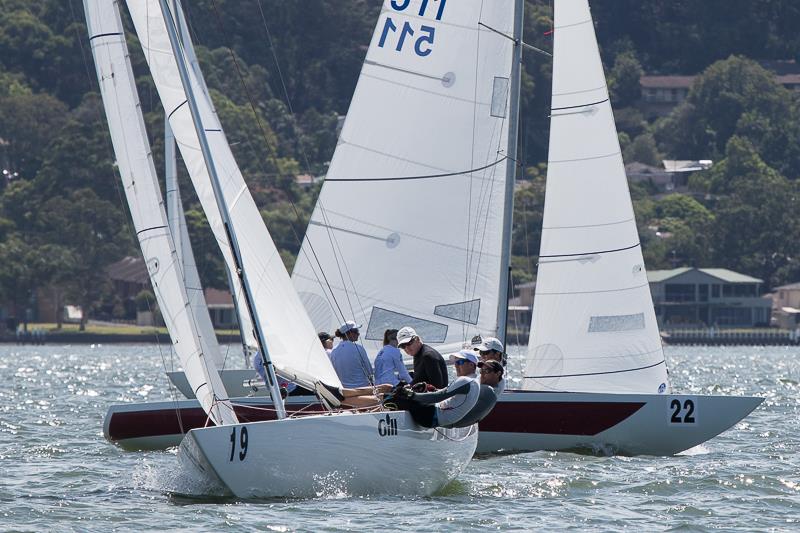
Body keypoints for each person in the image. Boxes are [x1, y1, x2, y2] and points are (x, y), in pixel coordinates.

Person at [329, 320, 374, 387]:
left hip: (345, 390)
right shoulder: (359, 348)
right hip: (362, 388)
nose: (358, 334)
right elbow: (369, 371)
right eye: (356, 331)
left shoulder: (334, 351)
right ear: (349, 333)